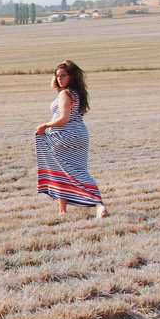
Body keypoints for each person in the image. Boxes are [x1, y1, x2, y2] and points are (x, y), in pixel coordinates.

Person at [35, 61, 108, 219]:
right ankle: (93, 205)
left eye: (63, 75)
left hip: (64, 136)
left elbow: (63, 118)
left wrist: (45, 126)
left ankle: (84, 205)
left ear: (71, 77)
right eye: (57, 75)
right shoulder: (77, 93)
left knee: (62, 170)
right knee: (73, 171)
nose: (59, 78)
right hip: (80, 136)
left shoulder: (65, 94)